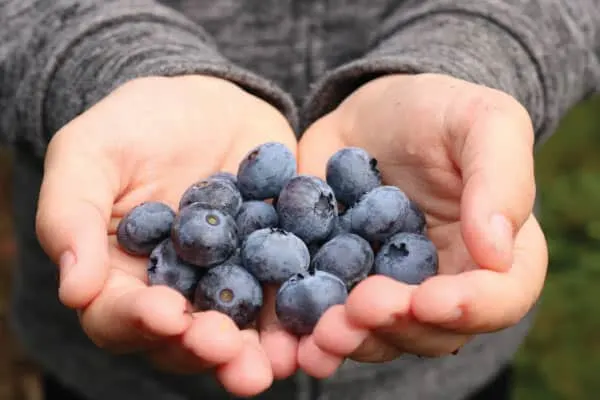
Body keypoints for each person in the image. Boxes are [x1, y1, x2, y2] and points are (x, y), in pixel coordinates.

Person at [0, 0, 598, 399]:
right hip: (119, 378)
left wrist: (480, 58)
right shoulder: (219, 230)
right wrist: (99, 60)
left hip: (438, 374)